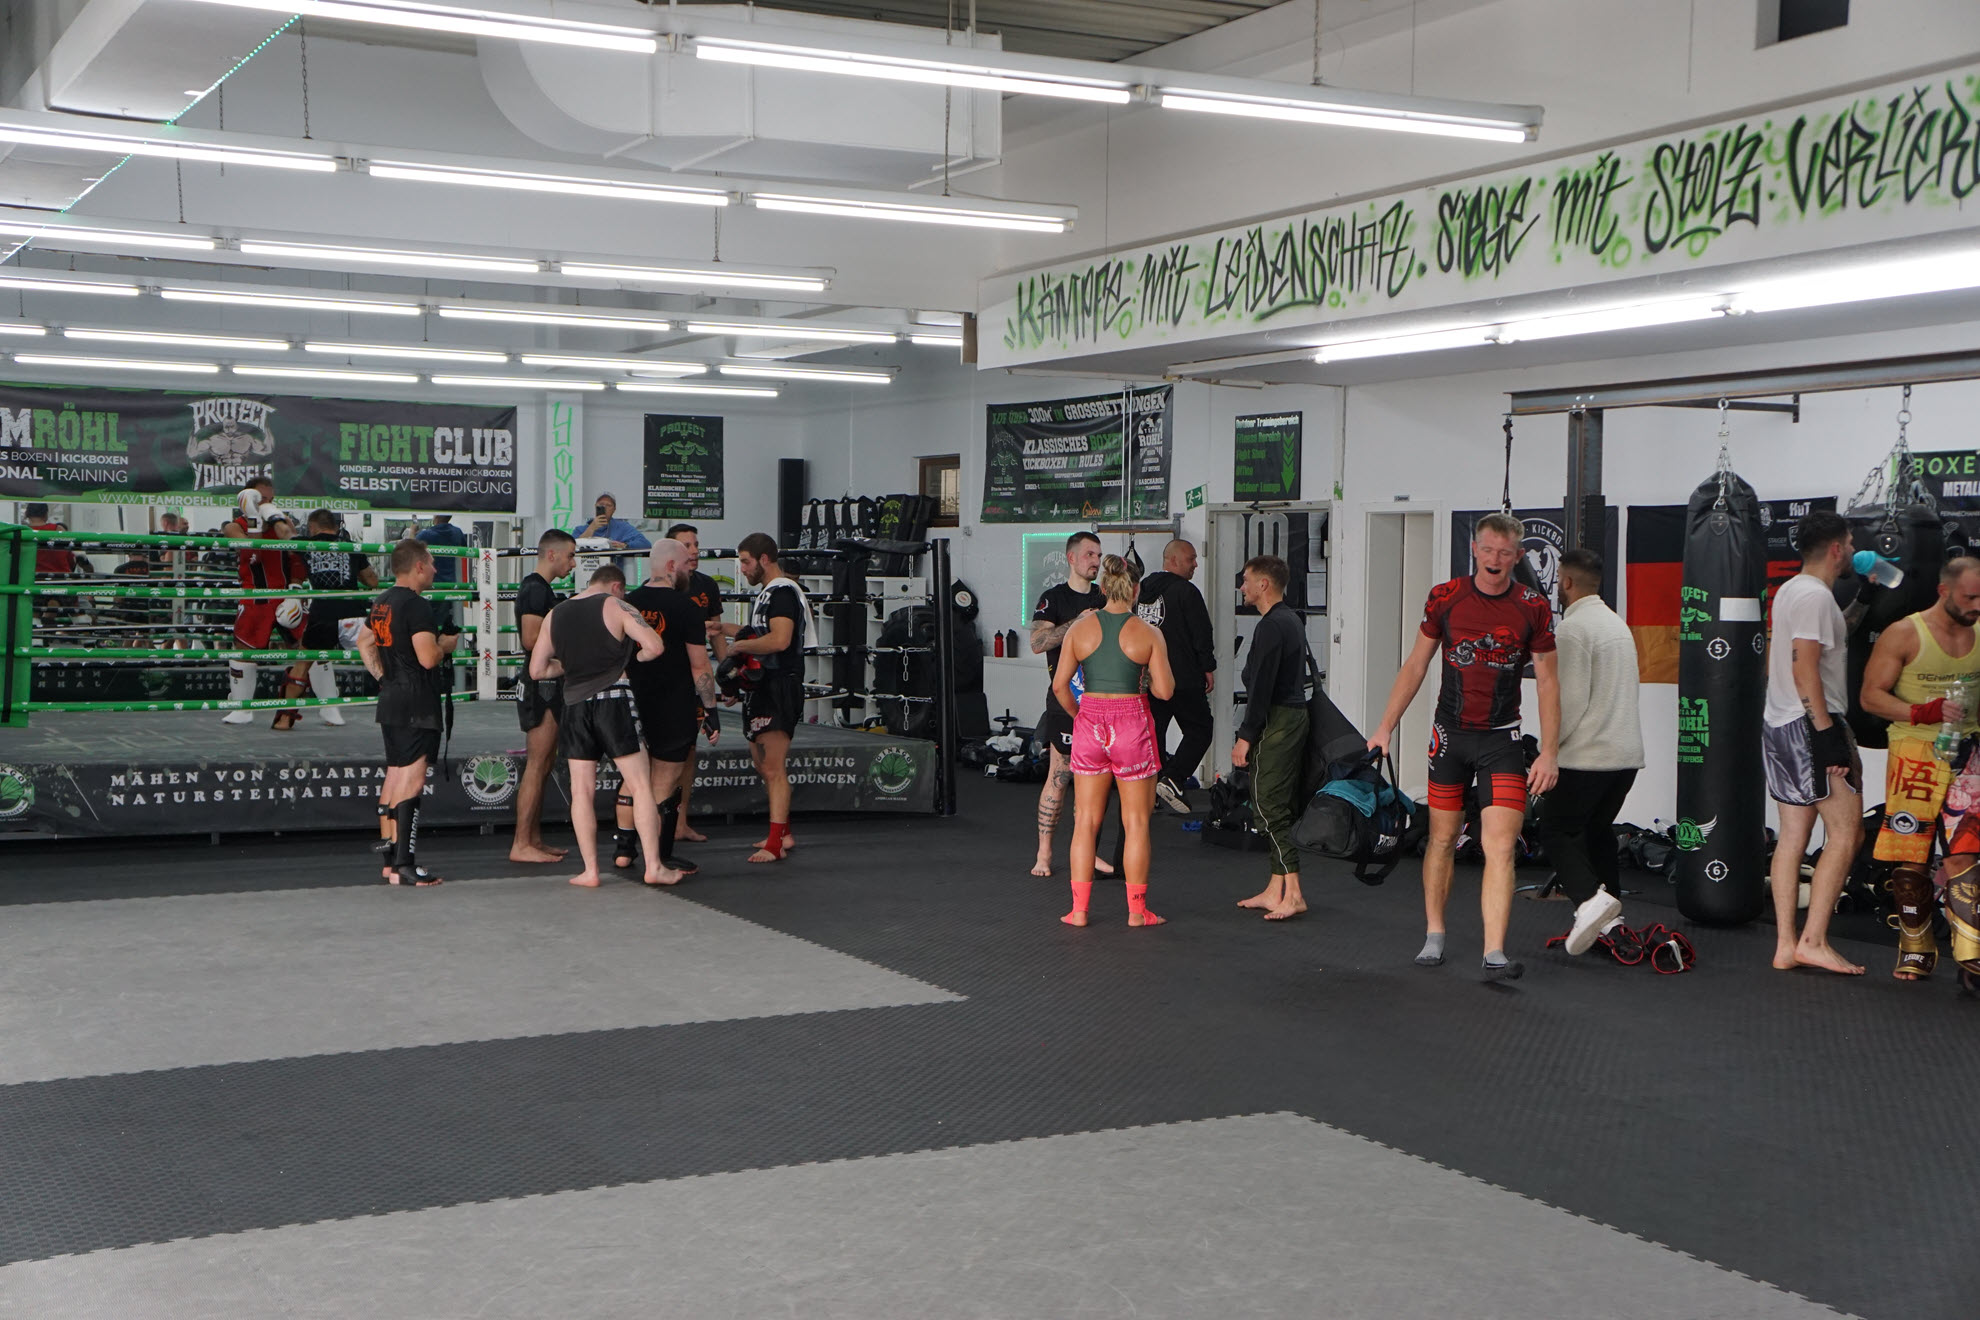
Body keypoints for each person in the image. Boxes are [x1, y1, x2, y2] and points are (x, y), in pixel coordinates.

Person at [1370, 511, 1560, 981]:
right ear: (1474, 550)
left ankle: (1494, 951)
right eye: (1488, 549)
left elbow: (1549, 682)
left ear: (1518, 556)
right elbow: (1416, 665)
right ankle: (1435, 933)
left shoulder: (1533, 606)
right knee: (1441, 838)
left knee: (1500, 845)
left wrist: (1550, 751)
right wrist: (1385, 727)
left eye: (1505, 553)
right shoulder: (1446, 597)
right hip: (1450, 737)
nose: (1495, 559)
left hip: (1501, 739)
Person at [1857, 556, 1980, 980]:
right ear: (1944, 592)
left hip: (1969, 751)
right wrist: (1923, 711)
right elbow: (1870, 697)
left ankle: (1971, 953)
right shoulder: (1905, 633)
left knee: (1966, 851)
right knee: (1912, 857)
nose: (1977, 605)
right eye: (1969, 597)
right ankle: (1915, 947)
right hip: (1915, 754)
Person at [1762, 510, 1865, 976]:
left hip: (1781, 722)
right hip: (1810, 725)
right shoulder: (1814, 597)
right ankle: (1814, 940)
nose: (1853, 550)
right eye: (1850, 542)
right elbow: (1804, 665)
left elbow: (1828, 641)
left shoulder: (1795, 591)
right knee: (1846, 832)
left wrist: (1866, 600)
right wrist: (1825, 736)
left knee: (1793, 835)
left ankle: (1787, 945)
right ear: (1837, 549)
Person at [529, 564, 670, 889]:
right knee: (640, 785)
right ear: (616, 586)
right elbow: (655, 646)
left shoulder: (555, 614)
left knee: (581, 791)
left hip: (574, 705)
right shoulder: (616, 605)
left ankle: (590, 871)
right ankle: (654, 867)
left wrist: (568, 666)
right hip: (614, 699)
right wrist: (637, 660)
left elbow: (537, 670)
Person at [1054, 554, 1175, 928]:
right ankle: (1137, 912)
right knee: (1136, 821)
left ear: (1103, 588)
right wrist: (1146, 677)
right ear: (1136, 590)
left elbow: (1059, 686)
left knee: (1085, 820)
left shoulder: (1079, 630)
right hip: (1131, 722)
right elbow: (1166, 691)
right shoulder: (1149, 633)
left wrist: (1080, 715)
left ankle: (1078, 911)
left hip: (1090, 721)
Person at [1537, 550, 1645, 955]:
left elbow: (1570, 702)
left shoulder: (1572, 630)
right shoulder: (1617, 625)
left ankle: (1588, 902)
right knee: (1596, 833)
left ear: (1565, 582)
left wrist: (1547, 751)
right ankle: (1612, 926)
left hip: (1588, 758)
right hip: (1624, 758)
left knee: (1555, 830)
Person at [355, 540, 461, 886]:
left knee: (396, 775)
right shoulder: (417, 606)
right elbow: (428, 658)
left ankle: (391, 863)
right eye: (431, 563)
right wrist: (446, 645)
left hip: (392, 698)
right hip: (417, 702)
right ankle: (404, 863)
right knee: (411, 780)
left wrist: (383, 676)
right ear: (418, 566)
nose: (434, 569)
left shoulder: (382, 601)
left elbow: (363, 641)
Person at [614, 540, 722, 879]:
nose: (691, 569)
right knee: (663, 779)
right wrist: (711, 709)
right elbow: (699, 665)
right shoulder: (686, 606)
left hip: (632, 700)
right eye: (687, 564)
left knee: (633, 776)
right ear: (672, 566)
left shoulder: (626, 603)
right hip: (672, 703)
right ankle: (657, 857)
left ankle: (624, 850)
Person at [721, 533, 812, 863]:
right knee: (762, 764)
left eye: (746, 562)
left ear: (763, 559)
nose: (742, 569)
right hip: (764, 686)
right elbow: (758, 635)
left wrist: (739, 647)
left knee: (773, 767)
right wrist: (722, 629)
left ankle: (775, 844)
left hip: (779, 685)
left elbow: (780, 640)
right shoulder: (767, 594)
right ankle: (782, 833)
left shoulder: (783, 592)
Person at [1231, 555, 1313, 922]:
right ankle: (1274, 888)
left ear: (1263, 584)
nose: (1242, 587)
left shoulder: (1271, 626)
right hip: (1292, 716)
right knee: (1278, 799)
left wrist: (1245, 737)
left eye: (1246, 580)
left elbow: (1261, 688)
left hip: (1279, 719)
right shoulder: (1290, 619)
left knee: (1267, 804)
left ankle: (1293, 893)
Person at [1029, 532, 1114, 878]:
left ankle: (1088, 852)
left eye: (1099, 555)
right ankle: (1044, 853)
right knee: (1060, 775)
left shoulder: (1105, 597)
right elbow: (1037, 642)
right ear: (1072, 558)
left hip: (1101, 702)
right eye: (1090, 554)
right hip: (1065, 700)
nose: (1096, 561)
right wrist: (1075, 625)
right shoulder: (1054, 598)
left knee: (1094, 782)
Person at [510, 529, 577, 866]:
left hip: (549, 684)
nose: (573, 563)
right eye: (570, 556)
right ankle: (521, 843)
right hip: (542, 686)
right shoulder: (535, 588)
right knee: (537, 765)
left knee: (546, 763)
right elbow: (530, 638)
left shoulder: (544, 590)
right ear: (552, 554)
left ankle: (532, 839)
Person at [1135, 538, 1216, 813]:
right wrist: (1207, 667)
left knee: (1153, 734)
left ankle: (1151, 790)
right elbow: (1201, 633)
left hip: (1148, 678)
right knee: (1200, 729)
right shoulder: (1186, 591)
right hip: (1183, 678)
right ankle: (1173, 779)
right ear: (1174, 560)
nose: (1195, 564)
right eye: (1191, 559)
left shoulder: (1141, 591)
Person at [667, 523, 729, 845]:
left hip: (695, 677)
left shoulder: (707, 586)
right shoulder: (661, 585)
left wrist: (728, 676)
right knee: (660, 753)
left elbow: (717, 634)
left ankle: (680, 823)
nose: (693, 551)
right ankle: (651, 824)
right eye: (686, 546)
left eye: (695, 544)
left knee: (689, 751)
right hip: (665, 678)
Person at [222, 508, 310, 727]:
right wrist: (254, 518)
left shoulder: (283, 522)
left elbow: (297, 556)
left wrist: (295, 590)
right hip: (256, 596)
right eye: (260, 497)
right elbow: (253, 554)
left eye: (269, 497)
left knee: (310, 645)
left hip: (285, 594)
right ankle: (242, 708)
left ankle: (330, 706)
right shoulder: (235, 526)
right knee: (244, 650)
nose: (265, 501)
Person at [295, 509, 379, 728]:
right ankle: (400, 704)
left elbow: (285, 535)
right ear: (335, 526)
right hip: (353, 613)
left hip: (322, 613)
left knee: (304, 662)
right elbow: (372, 581)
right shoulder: (350, 546)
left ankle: (284, 717)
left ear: (312, 527)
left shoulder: (306, 545)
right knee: (376, 658)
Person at [571, 492, 651, 576]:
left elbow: (646, 544)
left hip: (613, 576)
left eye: (608, 505)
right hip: (584, 575)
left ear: (614, 509)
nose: (604, 508)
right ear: (595, 506)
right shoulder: (580, 529)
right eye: (601, 505)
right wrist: (592, 528)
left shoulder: (622, 528)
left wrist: (626, 546)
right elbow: (572, 547)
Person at [415, 513, 470, 630]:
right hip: (453, 586)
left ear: (436, 517)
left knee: (427, 624)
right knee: (448, 624)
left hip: (431, 585)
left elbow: (409, 549)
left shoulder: (426, 535)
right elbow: (465, 550)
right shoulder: (457, 533)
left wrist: (412, 532)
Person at [23, 503, 75, 576]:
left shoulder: (23, 532)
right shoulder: (58, 530)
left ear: (27, 514)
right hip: (60, 577)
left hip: (31, 578)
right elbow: (70, 559)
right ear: (46, 514)